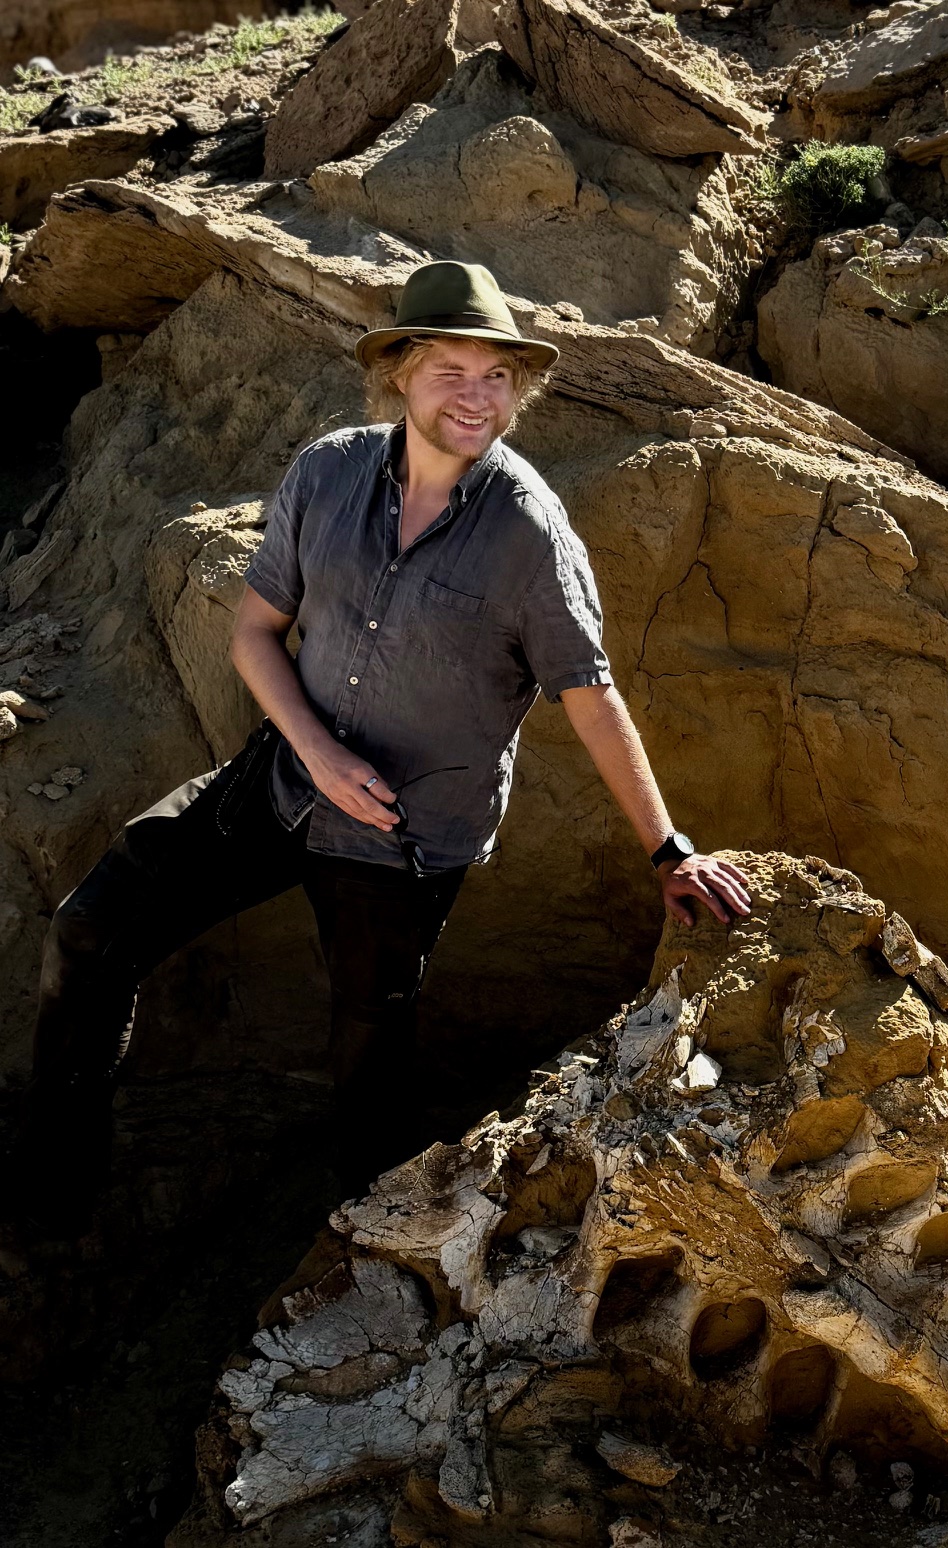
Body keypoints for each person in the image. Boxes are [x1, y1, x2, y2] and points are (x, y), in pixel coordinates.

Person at [11, 260, 751, 1229]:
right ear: (399, 371)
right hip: (282, 782)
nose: (476, 396)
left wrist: (667, 849)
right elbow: (254, 634)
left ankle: (370, 1259)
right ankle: (56, 1198)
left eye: (496, 376)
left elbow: (590, 694)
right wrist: (317, 754)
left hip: (402, 844)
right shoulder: (327, 471)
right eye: (451, 370)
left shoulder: (530, 532)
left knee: (368, 1075)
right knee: (91, 929)